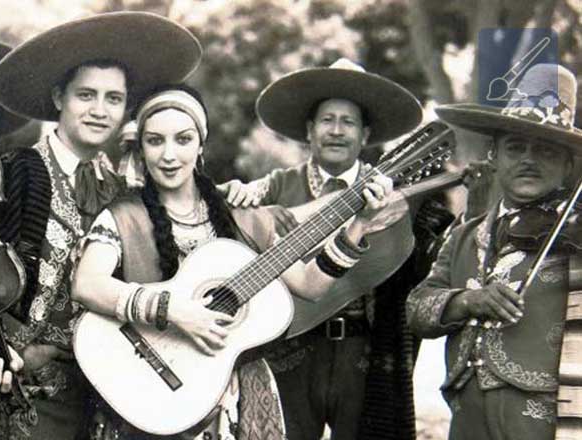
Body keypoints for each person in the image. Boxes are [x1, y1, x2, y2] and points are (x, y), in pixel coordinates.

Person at [71, 84, 401, 439]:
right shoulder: (123, 216)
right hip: (147, 389)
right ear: (141, 148)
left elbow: (310, 284)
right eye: (155, 141)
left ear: (201, 145)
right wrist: (174, 310)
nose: (169, 155)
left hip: (232, 401)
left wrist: (359, 226)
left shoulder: (242, 217)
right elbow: (87, 284)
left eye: (183, 140)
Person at [0, 11, 202, 439]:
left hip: (106, 387)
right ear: (59, 97)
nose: (99, 110)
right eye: (86, 95)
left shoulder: (125, 191)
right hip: (27, 385)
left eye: (113, 99)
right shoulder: (14, 171)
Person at [224, 58, 421, 439]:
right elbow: (235, 228)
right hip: (290, 349)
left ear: (365, 134)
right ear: (309, 130)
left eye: (348, 122)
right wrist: (239, 199)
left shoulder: (391, 196)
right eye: (327, 120)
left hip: (362, 351)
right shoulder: (274, 187)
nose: (336, 131)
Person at [407, 63, 581, 440]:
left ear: (568, 167)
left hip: (547, 423)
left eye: (546, 151)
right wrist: (467, 301)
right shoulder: (466, 234)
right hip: (467, 417)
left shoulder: (575, 233)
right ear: (494, 156)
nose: (529, 160)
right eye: (515, 148)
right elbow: (417, 310)